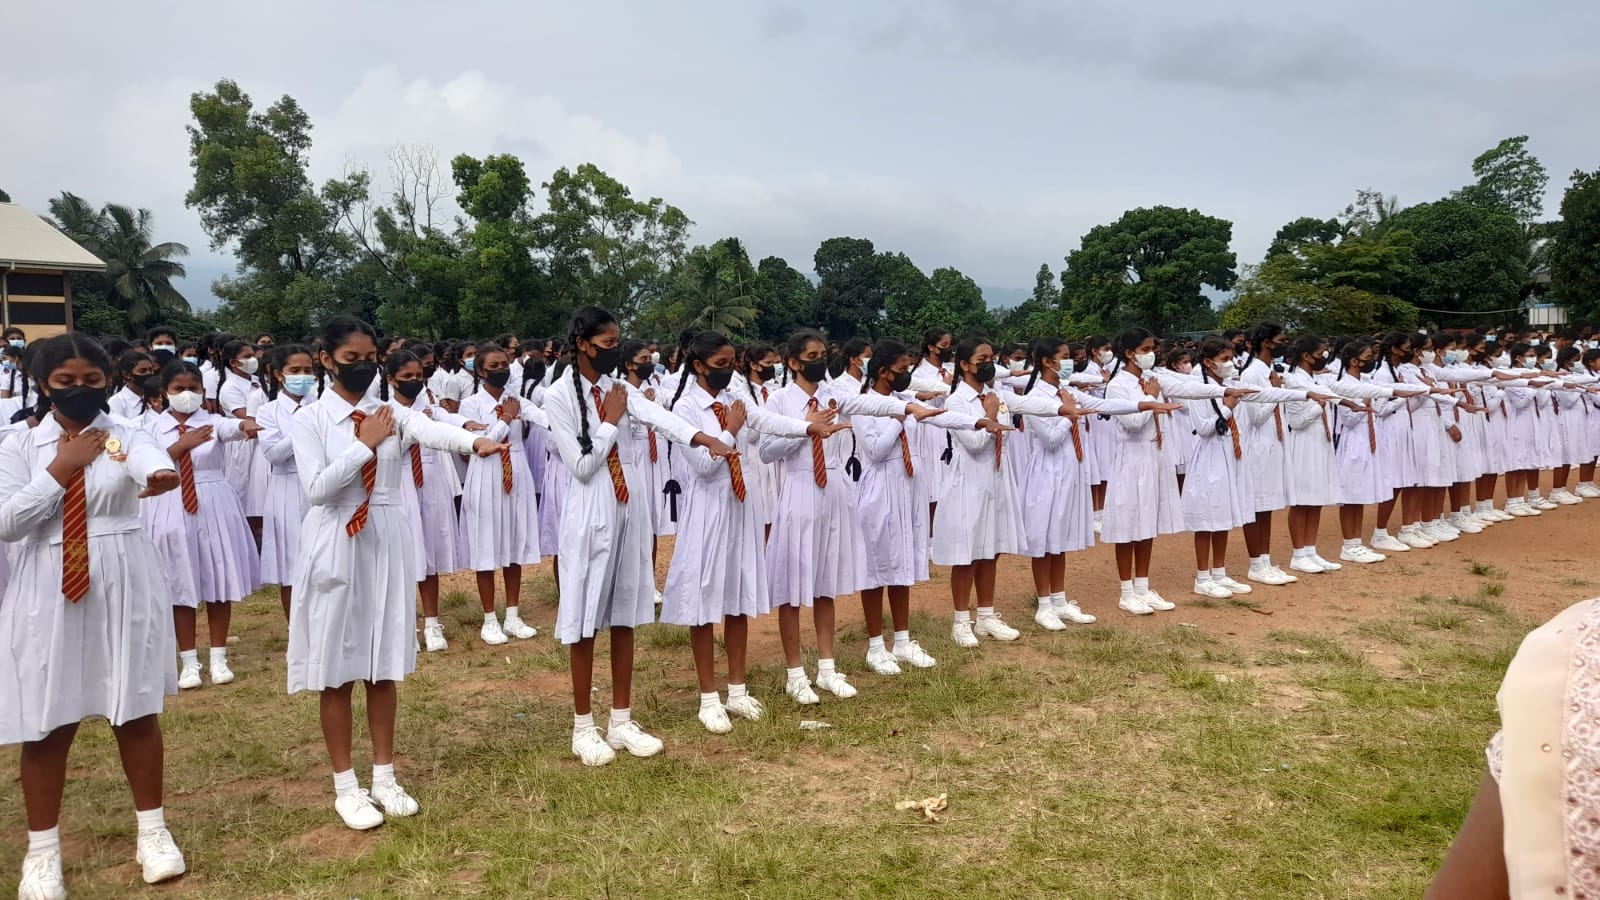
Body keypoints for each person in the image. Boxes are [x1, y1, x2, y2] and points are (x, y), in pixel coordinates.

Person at [287, 317, 506, 830]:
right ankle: (347, 786)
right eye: (352, 359)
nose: (363, 367)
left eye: (370, 359)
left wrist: (472, 443)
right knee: (336, 667)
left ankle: (384, 776)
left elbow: (430, 429)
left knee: (382, 663)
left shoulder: (388, 412)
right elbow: (317, 489)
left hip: (385, 535)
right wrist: (363, 444)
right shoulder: (311, 418)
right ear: (327, 360)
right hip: (335, 537)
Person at [0, 333, 187, 896]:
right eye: (66, 382)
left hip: (121, 573)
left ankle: (152, 831)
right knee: (46, 719)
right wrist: (60, 467)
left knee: (135, 710)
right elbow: (9, 523)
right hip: (46, 580)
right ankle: (42, 853)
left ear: (108, 381)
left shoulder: (123, 433)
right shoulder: (19, 445)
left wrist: (156, 473)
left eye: (92, 380)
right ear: (42, 384)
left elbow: (143, 458)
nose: (80, 390)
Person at [544, 307, 736, 765]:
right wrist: (610, 421)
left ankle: (621, 719)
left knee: (626, 613)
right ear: (583, 344)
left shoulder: (620, 388)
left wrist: (701, 438)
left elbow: (659, 418)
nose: (615, 352)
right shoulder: (558, 395)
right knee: (585, 619)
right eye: (607, 344)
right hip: (592, 506)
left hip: (632, 506)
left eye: (617, 343)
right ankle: (583, 727)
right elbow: (582, 466)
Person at [761, 329, 942, 698]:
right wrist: (807, 428)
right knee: (791, 586)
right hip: (799, 489)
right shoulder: (779, 400)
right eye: (811, 356)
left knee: (825, 584)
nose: (819, 361)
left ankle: (827, 669)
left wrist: (906, 408)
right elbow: (766, 451)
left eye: (822, 354)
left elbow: (868, 404)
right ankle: (796, 674)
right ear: (793, 363)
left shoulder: (834, 394)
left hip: (835, 490)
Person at [658, 330, 824, 731]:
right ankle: (708, 697)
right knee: (703, 603)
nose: (728, 370)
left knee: (737, 598)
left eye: (731, 363)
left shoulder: (736, 396)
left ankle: (736, 689)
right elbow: (704, 465)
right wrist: (730, 430)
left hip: (742, 505)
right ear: (698, 366)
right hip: (708, 509)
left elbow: (765, 421)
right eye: (720, 364)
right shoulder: (685, 407)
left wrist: (807, 428)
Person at [143, 361, 262, 689]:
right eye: (179, 389)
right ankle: (189, 661)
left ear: (203, 390)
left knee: (217, 578)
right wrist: (180, 446)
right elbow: (145, 460)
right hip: (169, 502)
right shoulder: (149, 429)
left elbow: (233, 427)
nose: (187, 395)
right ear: (165, 392)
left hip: (212, 503)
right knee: (179, 582)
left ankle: (219, 657)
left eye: (194, 388)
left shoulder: (212, 423)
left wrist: (247, 424)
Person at [458, 343, 546, 645]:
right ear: (481, 371)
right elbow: (482, 442)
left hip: (517, 472)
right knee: (486, 544)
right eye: (494, 366)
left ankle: (512, 615)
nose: (501, 370)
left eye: (504, 364)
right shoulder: (470, 405)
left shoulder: (517, 399)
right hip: (486, 471)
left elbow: (543, 418)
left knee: (514, 543)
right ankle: (489, 619)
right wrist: (506, 418)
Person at [257, 345, 317, 619]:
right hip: (287, 488)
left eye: (307, 370)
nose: (302, 376)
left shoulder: (322, 406)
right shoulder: (268, 411)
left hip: (321, 484)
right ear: (279, 374)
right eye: (295, 370)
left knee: (325, 559)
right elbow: (274, 454)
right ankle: (296, 628)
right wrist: (303, 427)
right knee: (292, 565)